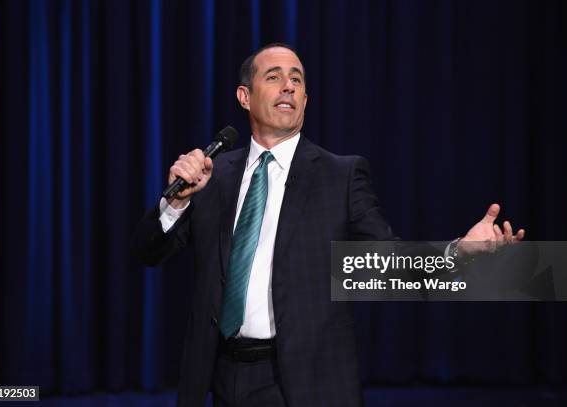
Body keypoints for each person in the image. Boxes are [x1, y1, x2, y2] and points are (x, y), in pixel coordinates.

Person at [132, 43, 525, 407]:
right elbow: (147, 251)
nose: (288, 85)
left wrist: (461, 254)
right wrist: (176, 200)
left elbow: (387, 263)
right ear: (244, 97)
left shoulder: (340, 175)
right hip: (218, 374)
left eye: (297, 79)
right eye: (274, 77)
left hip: (301, 381)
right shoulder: (212, 175)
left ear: (305, 100)